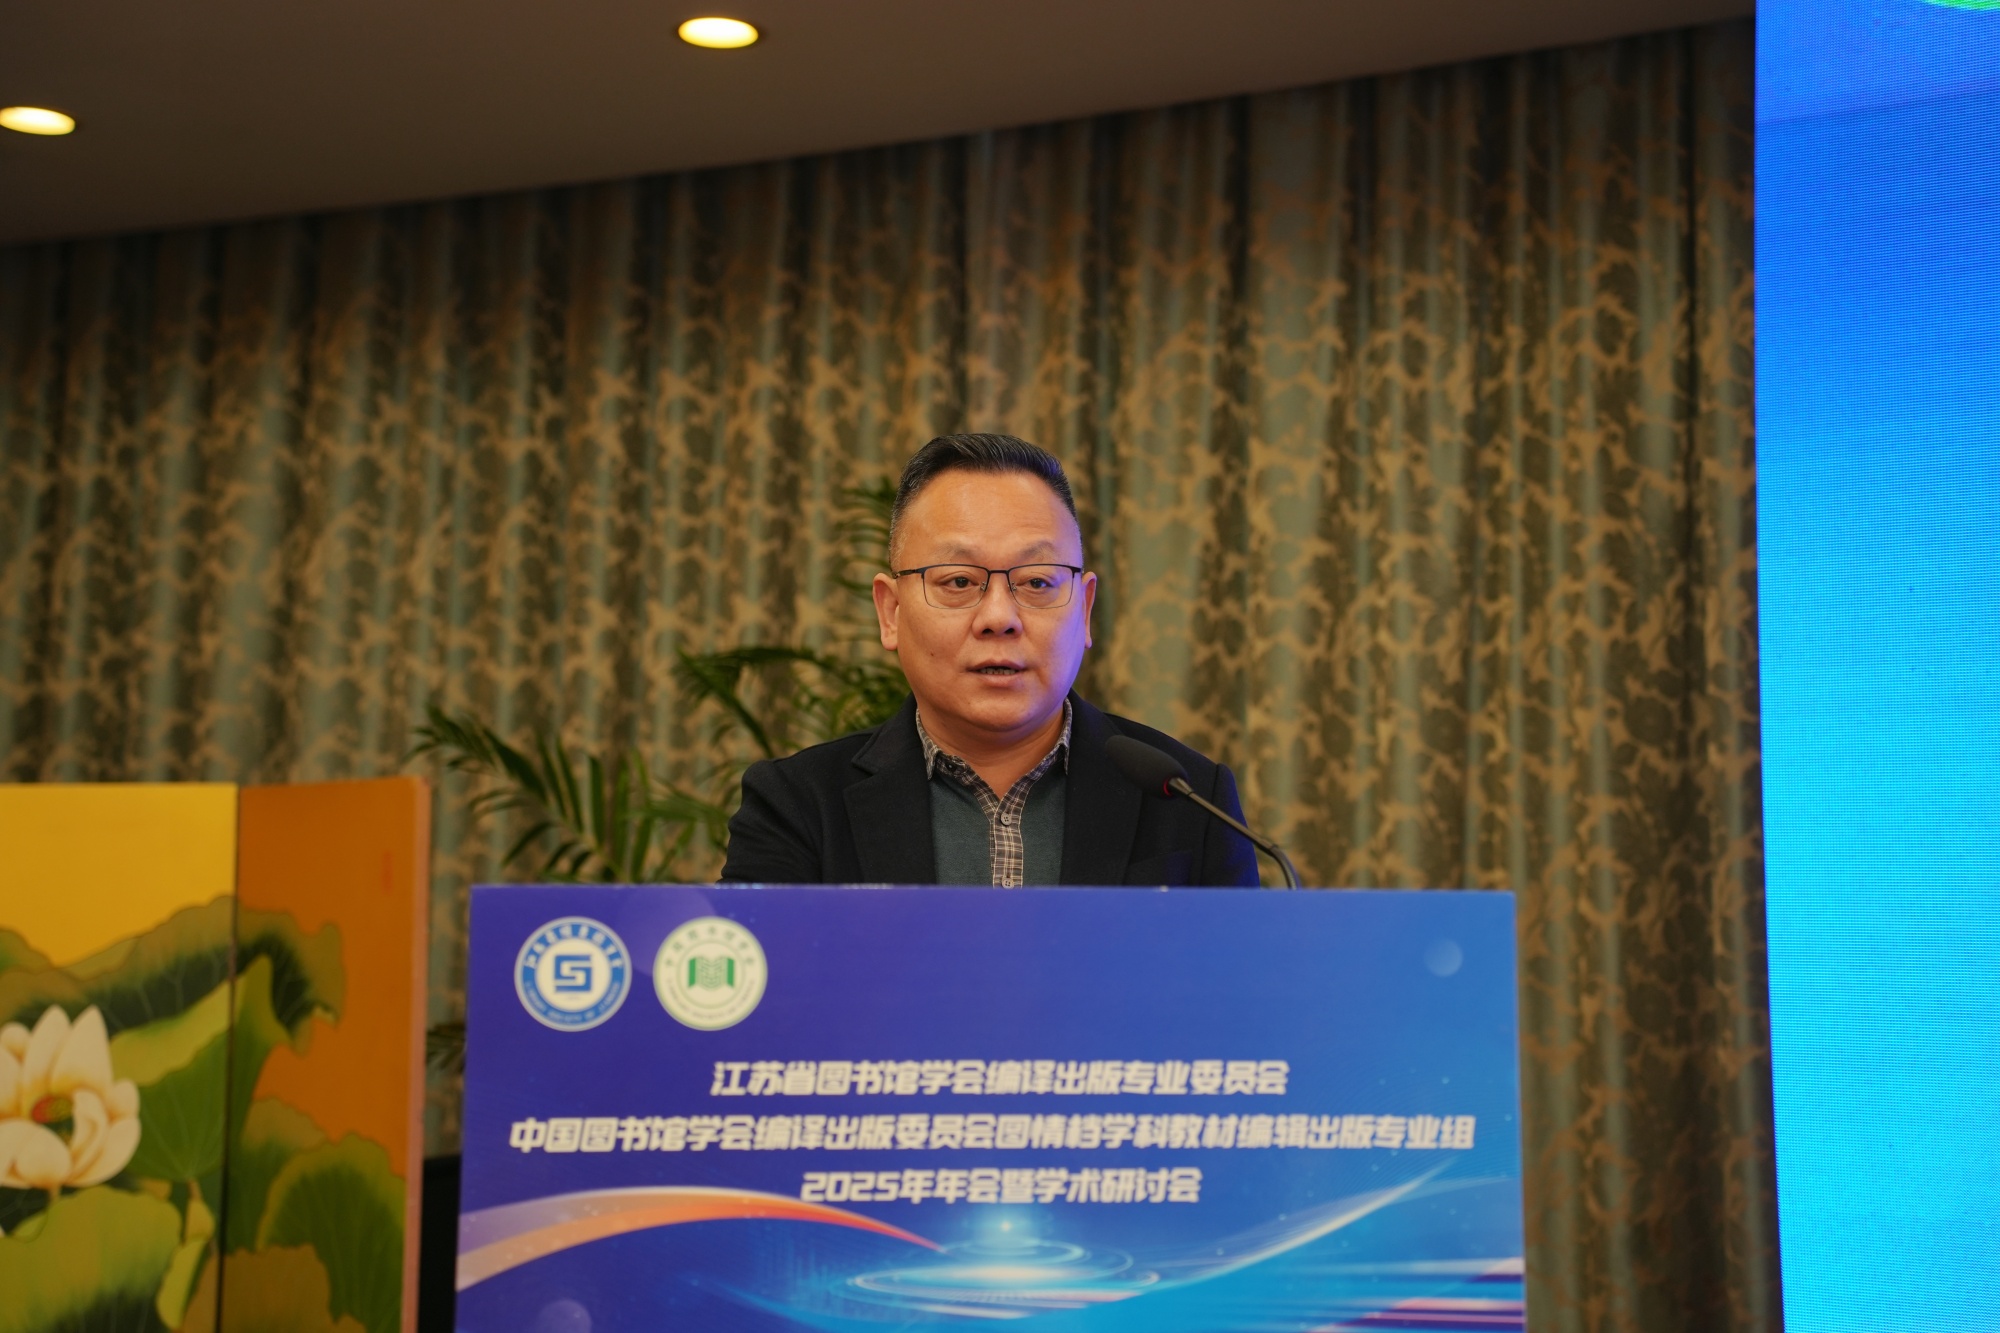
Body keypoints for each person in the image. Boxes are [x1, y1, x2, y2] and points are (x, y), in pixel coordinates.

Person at [719, 434, 1260, 887]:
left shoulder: (1190, 799)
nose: (999, 617)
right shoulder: (798, 804)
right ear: (891, 612)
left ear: (1084, 609)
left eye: (1037, 582)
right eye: (958, 581)